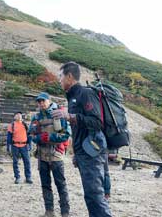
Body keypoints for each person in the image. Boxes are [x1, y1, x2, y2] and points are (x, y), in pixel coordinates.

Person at [53, 61, 112, 217]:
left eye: (61, 76)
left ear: (70, 76)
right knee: (92, 196)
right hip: (85, 152)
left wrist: (70, 116)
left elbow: (97, 122)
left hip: (93, 151)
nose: (59, 80)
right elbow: (80, 129)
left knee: (94, 196)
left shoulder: (85, 94)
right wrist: (76, 154)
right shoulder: (73, 97)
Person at [29, 92, 71, 217]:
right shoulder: (36, 117)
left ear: (49, 101)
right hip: (41, 156)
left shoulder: (58, 114)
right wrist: (39, 138)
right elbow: (31, 135)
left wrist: (50, 137)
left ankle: (65, 212)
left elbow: (66, 135)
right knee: (45, 185)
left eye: (43, 101)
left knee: (61, 184)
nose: (41, 103)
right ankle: (49, 211)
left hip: (56, 156)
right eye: (39, 101)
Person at [6, 112, 32, 184]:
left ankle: (28, 177)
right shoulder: (12, 125)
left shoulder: (25, 124)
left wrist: (30, 144)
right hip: (15, 146)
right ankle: (17, 177)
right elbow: (9, 137)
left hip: (24, 146)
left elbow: (29, 135)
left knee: (27, 162)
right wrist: (8, 146)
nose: (19, 116)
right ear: (14, 117)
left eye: (20, 115)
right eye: (17, 115)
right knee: (15, 162)